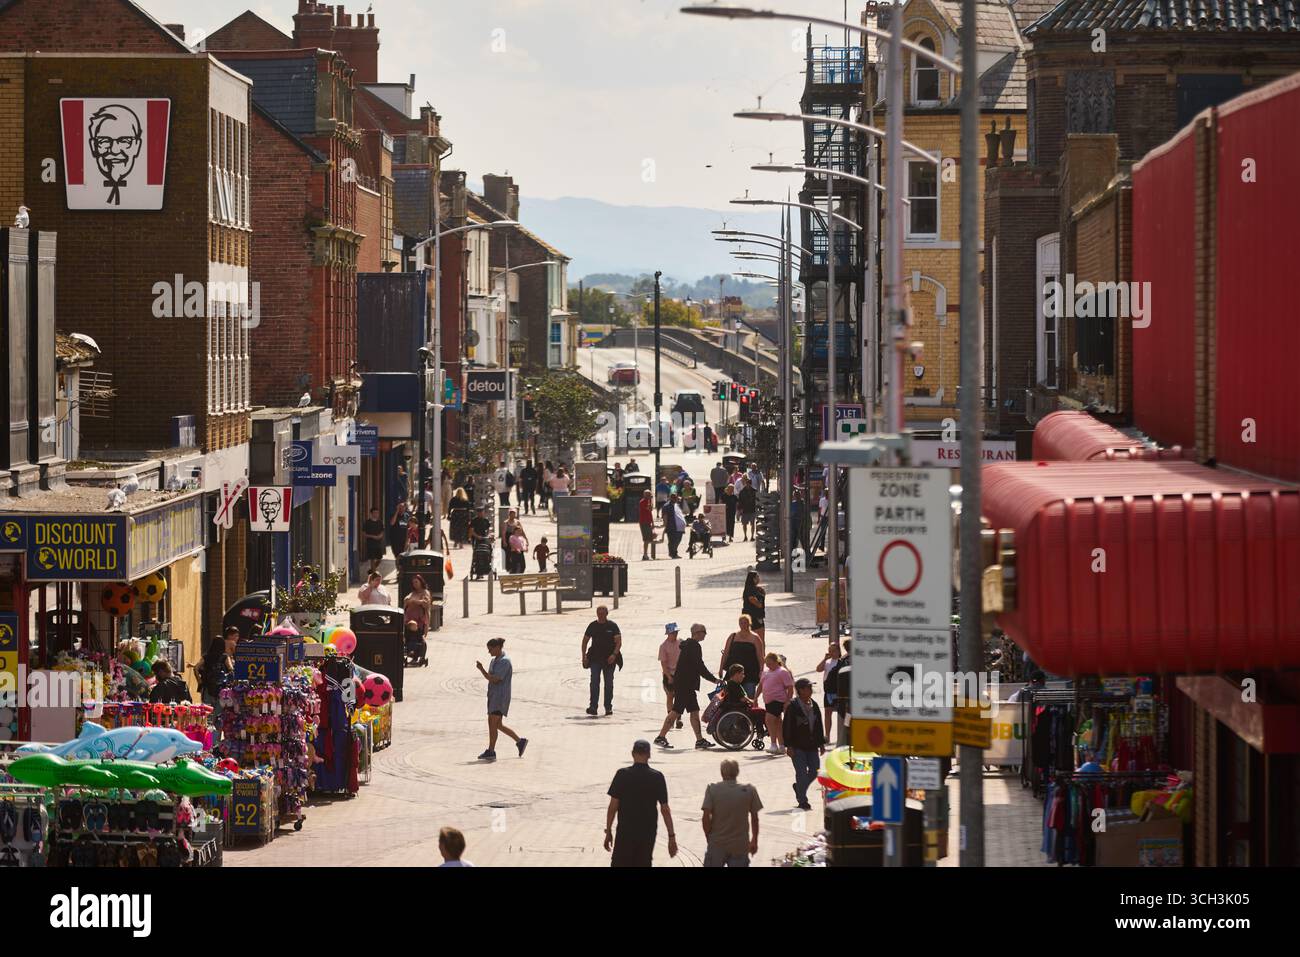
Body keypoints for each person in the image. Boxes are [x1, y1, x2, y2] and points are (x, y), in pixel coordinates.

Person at [605, 740, 677, 867]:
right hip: (647, 831)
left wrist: (609, 830)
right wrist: (671, 836)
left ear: (633, 754)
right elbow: (665, 809)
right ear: (649, 754)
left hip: (625, 831)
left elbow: (613, 806)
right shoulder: (657, 777)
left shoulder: (622, 774)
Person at [655, 623, 718, 750]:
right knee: (676, 711)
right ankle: (661, 737)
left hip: (686, 684)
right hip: (684, 684)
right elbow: (699, 666)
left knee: (694, 711)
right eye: (704, 632)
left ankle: (699, 740)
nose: (705, 634)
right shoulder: (694, 646)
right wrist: (714, 680)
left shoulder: (687, 644)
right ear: (697, 633)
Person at [701, 759, 763, 867]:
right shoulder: (749, 790)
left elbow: (706, 817)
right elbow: (755, 818)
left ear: (721, 772)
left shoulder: (713, 789)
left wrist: (708, 836)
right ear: (737, 772)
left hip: (717, 843)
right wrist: (754, 840)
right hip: (740, 844)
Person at [476, 638, 527, 760]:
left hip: (500, 697)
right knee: (497, 724)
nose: (489, 652)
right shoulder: (494, 661)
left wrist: (481, 670)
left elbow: (495, 679)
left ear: (498, 647)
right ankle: (520, 741)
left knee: (493, 723)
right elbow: (490, 677)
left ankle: (491, 750)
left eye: (491, 649)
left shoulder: (505, 662)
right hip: (493, 696)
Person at [783, 678, 826, 811]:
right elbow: (787, 726)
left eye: (811, 688)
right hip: (797, 747)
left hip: (812, 746)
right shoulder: (793, 706)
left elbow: (819, 725)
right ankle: (803, 801)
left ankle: (799, 788)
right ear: (800, 690)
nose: (810, 690)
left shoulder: (814, 705)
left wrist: (821, 744)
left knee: (815, 771)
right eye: (808, 688)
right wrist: (788, 746)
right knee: (801, 773)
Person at [582, 605, 622, 717]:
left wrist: (614, 655)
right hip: (595, 659)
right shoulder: (592, 625)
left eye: (602, 613)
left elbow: (619, 642)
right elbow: (585, 641)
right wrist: (584, 656)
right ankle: (593, 706)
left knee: (609, 683)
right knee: (594, 682)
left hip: (609, 660)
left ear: (606, 614)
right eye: (598, 613)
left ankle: (608, 707)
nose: (600, 615)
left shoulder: (612, 626)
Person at [718, 614, 764, 698]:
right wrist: (720, 669)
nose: (743, 625)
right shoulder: (733, 636)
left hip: (750, 673)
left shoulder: (755, 638)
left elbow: (760, 656)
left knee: (749, 696)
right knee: (728, 696)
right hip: (733, 672)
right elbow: (725, 654)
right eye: (741, 623)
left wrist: (761, 671)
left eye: (745, 623)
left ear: (749, 623)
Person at [757, 653, 794, 755]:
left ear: (776, 661)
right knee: (777, 722)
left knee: (769, 720)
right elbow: (760, 686)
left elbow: (790, 687)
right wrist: (756, 698)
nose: (768, 665)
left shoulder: (782, 672)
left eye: (770, 663)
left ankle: (773, 744)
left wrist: (787, 701)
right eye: (767, 663)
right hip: (768, 700)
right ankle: (781, 746)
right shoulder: (765, 672)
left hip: (778, 700)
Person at [658, 623, 683, 729]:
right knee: (670, 696)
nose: (675, 634)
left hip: (680, 674)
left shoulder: (681, 643)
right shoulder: (663, 646)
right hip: (669, 674)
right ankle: (670, 718)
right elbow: (663, 663)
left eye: (676, 632)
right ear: (668, 633)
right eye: (673, 632)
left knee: (680, 696)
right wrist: (668, 677)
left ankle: (679, 718)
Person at [403, 573, 433, 644]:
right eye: (413, 582)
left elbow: (426, 603)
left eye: (416, 582)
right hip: (410, 619)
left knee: (418, 637)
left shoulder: (425, 592)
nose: (414, 584)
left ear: (420, 582)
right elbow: (406, 600)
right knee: (409, 636)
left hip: (420, 620)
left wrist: (414, 601)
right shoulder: (413, 593)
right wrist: (416, 601)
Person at [819, 644, 841, 738]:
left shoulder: (841, 662)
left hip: (838, 691)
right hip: (828, 691)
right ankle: (827, 735)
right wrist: (824, 659)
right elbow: (818, 669)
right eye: (829, 650)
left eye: (833, 650)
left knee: (841, 713)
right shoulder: (827, 662)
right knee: (827, 713)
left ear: (838, 651)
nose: (831, 653)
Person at [661, 493, 686, 559]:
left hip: (679, 527)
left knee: (678, 539)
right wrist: (665, 525)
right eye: (673, 497)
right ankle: (673, 553)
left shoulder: (677, 505)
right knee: (672, 540)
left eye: (675, 497)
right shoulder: (666, 506)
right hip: (671, 526)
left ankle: (673, 552)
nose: (675, 499)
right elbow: (665, 516)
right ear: (670, 498)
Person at [742, 569, 767, 636]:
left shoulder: (755, 589)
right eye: (757, 577)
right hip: (754, 616)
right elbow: (751, 598)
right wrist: (759, 604)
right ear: (753, 579)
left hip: (754, 615)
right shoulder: (750, 589)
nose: (759, 578)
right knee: (759, 637)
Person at [362, 507, 385, 575]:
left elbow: (382, 532)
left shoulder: (380, 522)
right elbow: (363, 534)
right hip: (370, 543)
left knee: (379, 559)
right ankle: (373, 575)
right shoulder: (367, 522)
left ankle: (372, 570)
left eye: (377, 513)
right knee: (372, 559)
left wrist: (379, 536)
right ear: (371, 514)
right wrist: (373, 537)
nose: (376, 514)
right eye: (374, 513)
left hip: (378, 543)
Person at [638, 489, 656, 561]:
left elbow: (650, 512)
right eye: (647, 495)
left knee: (649, 538)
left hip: (648, 522)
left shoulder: (648, 501)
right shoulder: (642, 502)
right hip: (644, 522)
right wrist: (650, 501)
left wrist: (653, 523)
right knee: (646, 539)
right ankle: (645, 555)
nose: (649, 496)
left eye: (649, 495)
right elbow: (649, 508)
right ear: (644, 495)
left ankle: (646, 554)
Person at [737, 477, 757, 542]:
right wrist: (739, 510)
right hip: (744, 510)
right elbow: (740, 502)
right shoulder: (742, 492)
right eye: (746, 483)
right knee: (744, 524)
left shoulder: (754, 491)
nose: (747, 485)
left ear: (750, 484)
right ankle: (745, 536)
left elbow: (757, 501)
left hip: (752, 510)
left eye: (749, 483)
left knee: (752, 524)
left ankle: (752, 536)